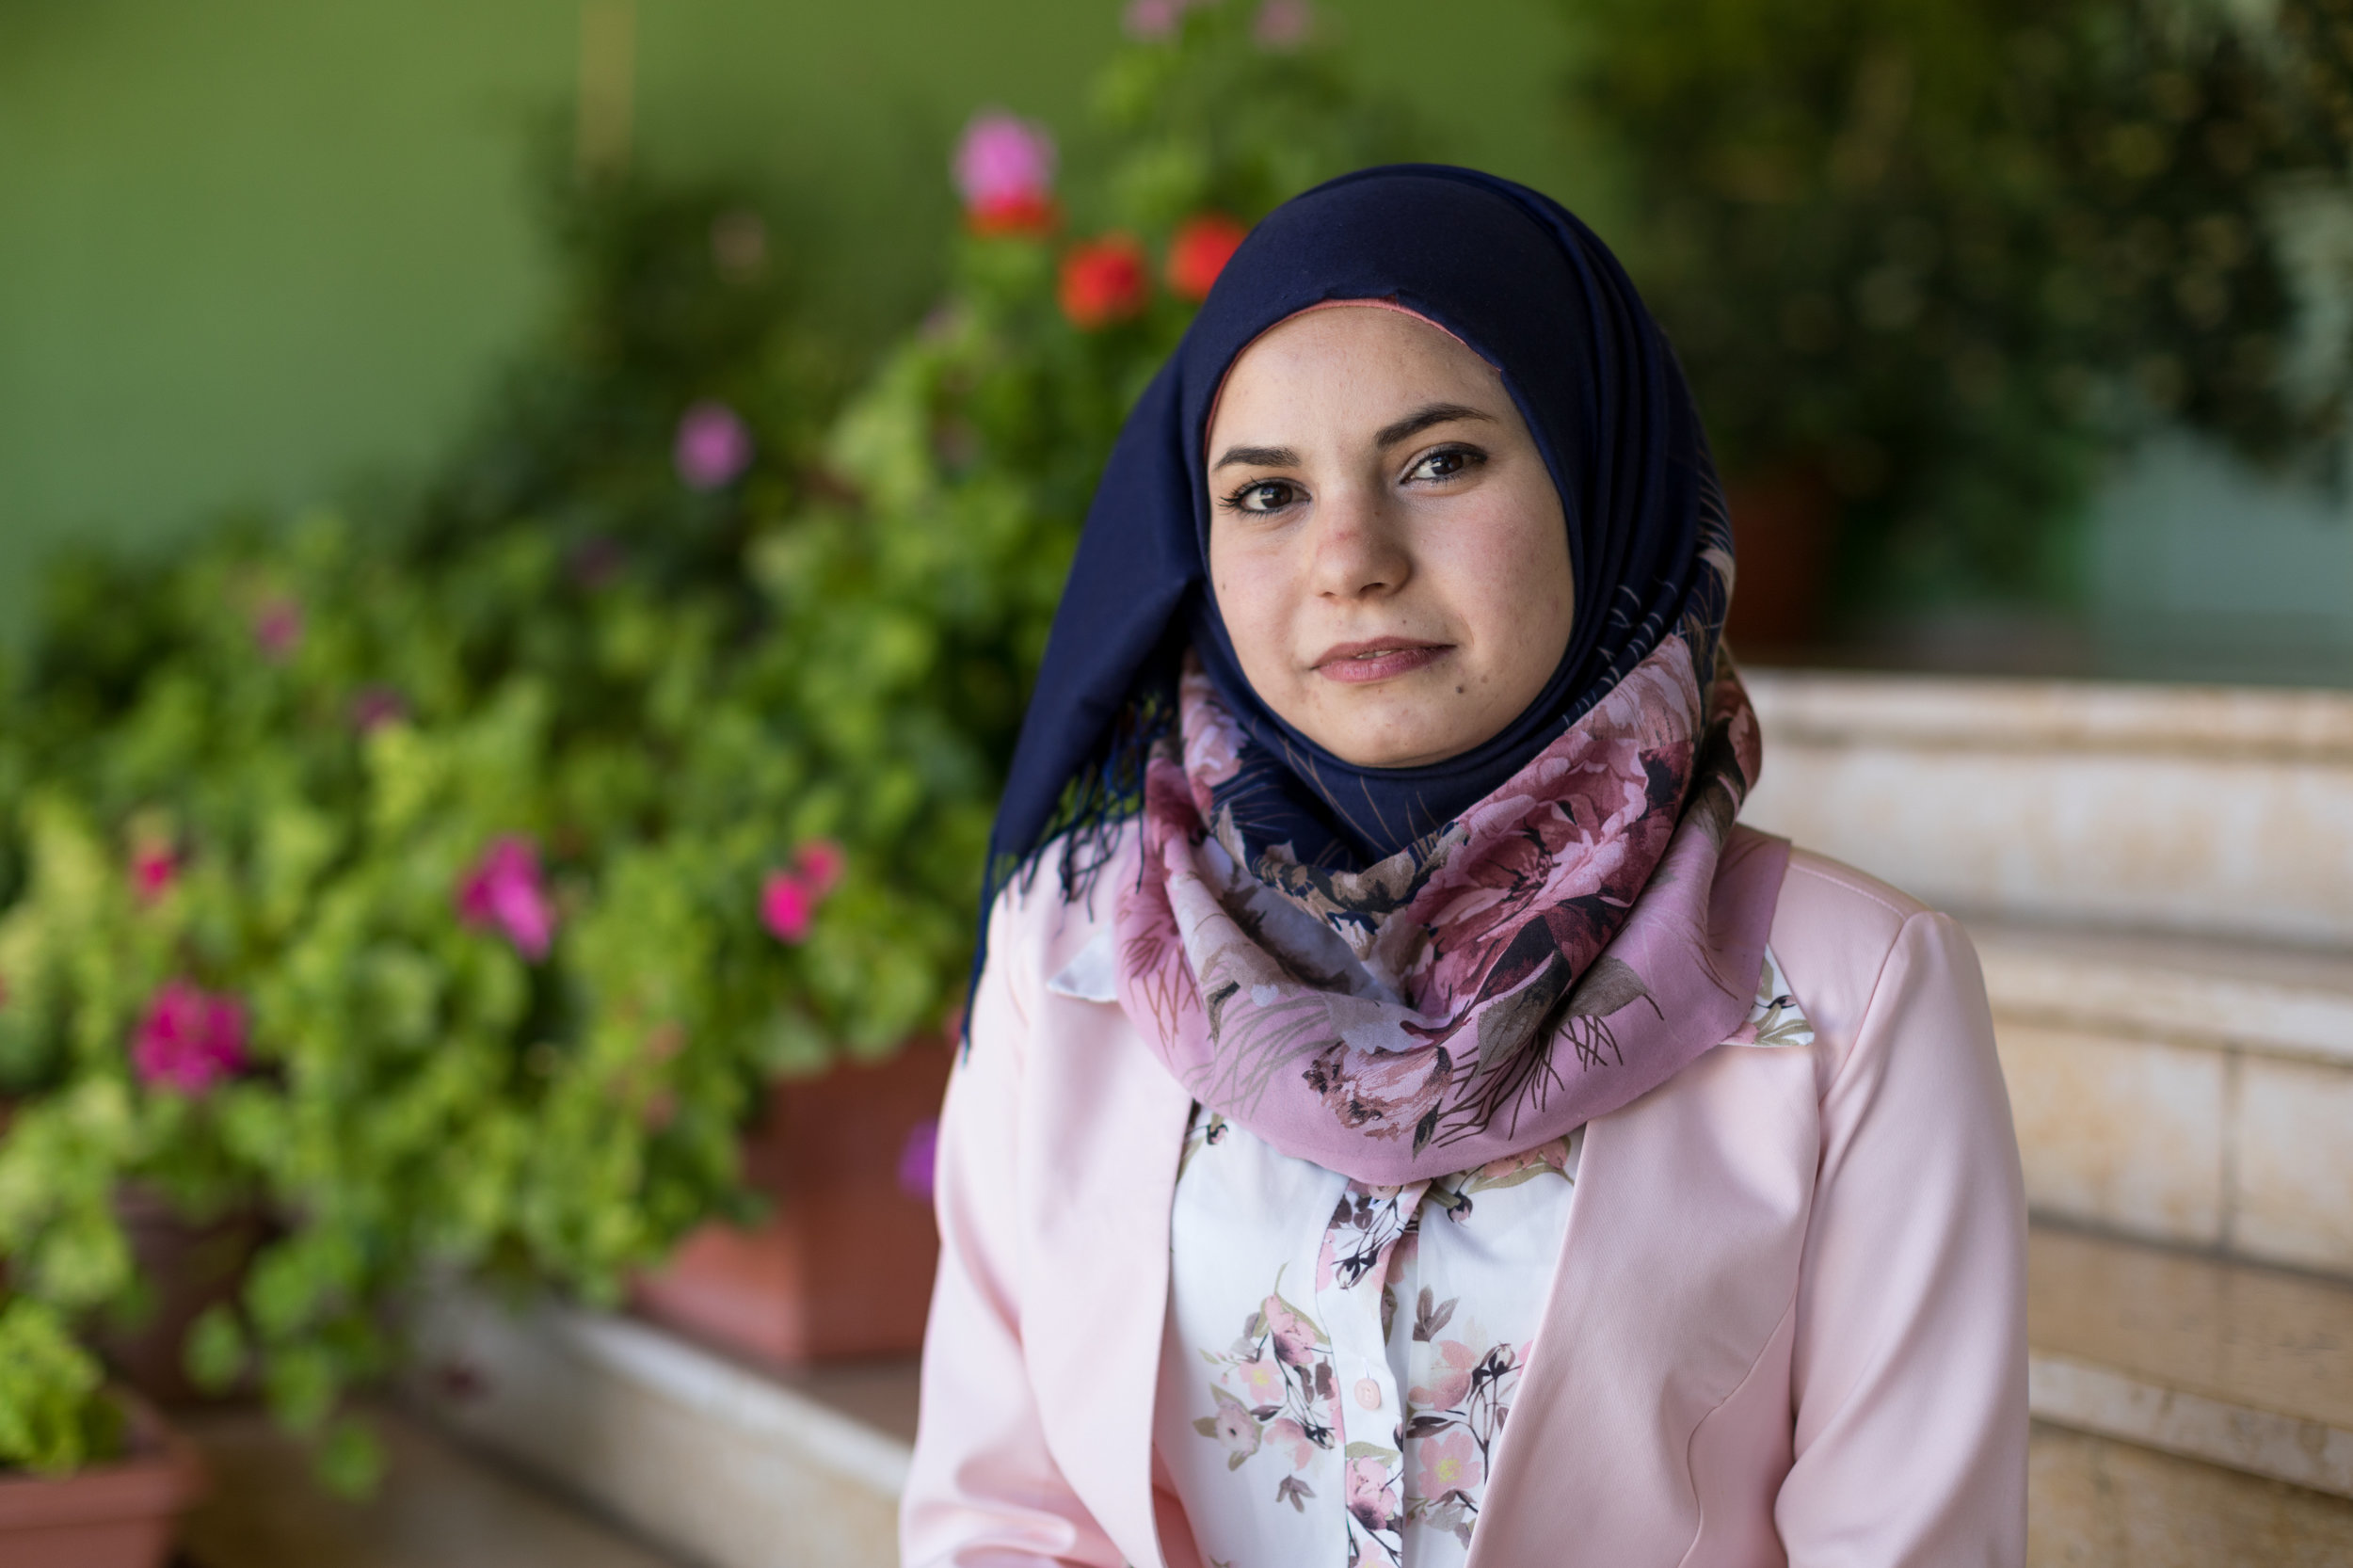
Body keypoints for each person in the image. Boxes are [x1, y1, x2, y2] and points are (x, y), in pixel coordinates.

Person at [902, 165, 2025, 1568]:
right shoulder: (1071, 952)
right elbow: (1005, 1517)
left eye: (1438, 461)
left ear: (1593, 471)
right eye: (1265, 492)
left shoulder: (1850, 1000)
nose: (1350, 558)